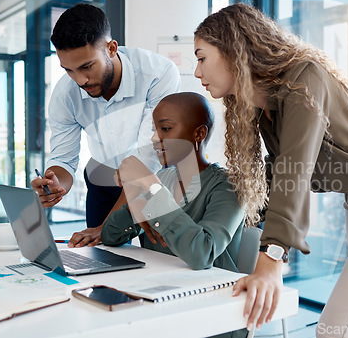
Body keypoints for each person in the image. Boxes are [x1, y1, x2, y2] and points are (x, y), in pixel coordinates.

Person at [193, 3, 348, 338]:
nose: (196, 72)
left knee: (334, 330)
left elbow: (294, 172)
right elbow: (277, 171)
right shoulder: (266, 104)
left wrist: (272, 257)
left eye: (202, 57)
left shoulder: (303, 79)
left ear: (234, 51)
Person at [30, 3, 180, 246]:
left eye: (87, 67)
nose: (80, 80)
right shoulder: (65, 94)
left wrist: (106, 227)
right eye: (68, 70)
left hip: (154, 182)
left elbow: (147, 160)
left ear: (111, 49)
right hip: (102, 177)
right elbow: (64, 159)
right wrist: (55, 184)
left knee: (154, 261)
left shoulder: (157, 74)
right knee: (101, 258)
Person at [101, 93, 246, 338]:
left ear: (198, 134)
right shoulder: (163, 179)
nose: (155, 138)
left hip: (210, 311)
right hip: (159, 300)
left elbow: (202, 252)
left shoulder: (228, 186)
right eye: (155, 129)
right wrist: (134, 200)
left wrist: (153, 188)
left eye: (165, 128)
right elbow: (110, 235)